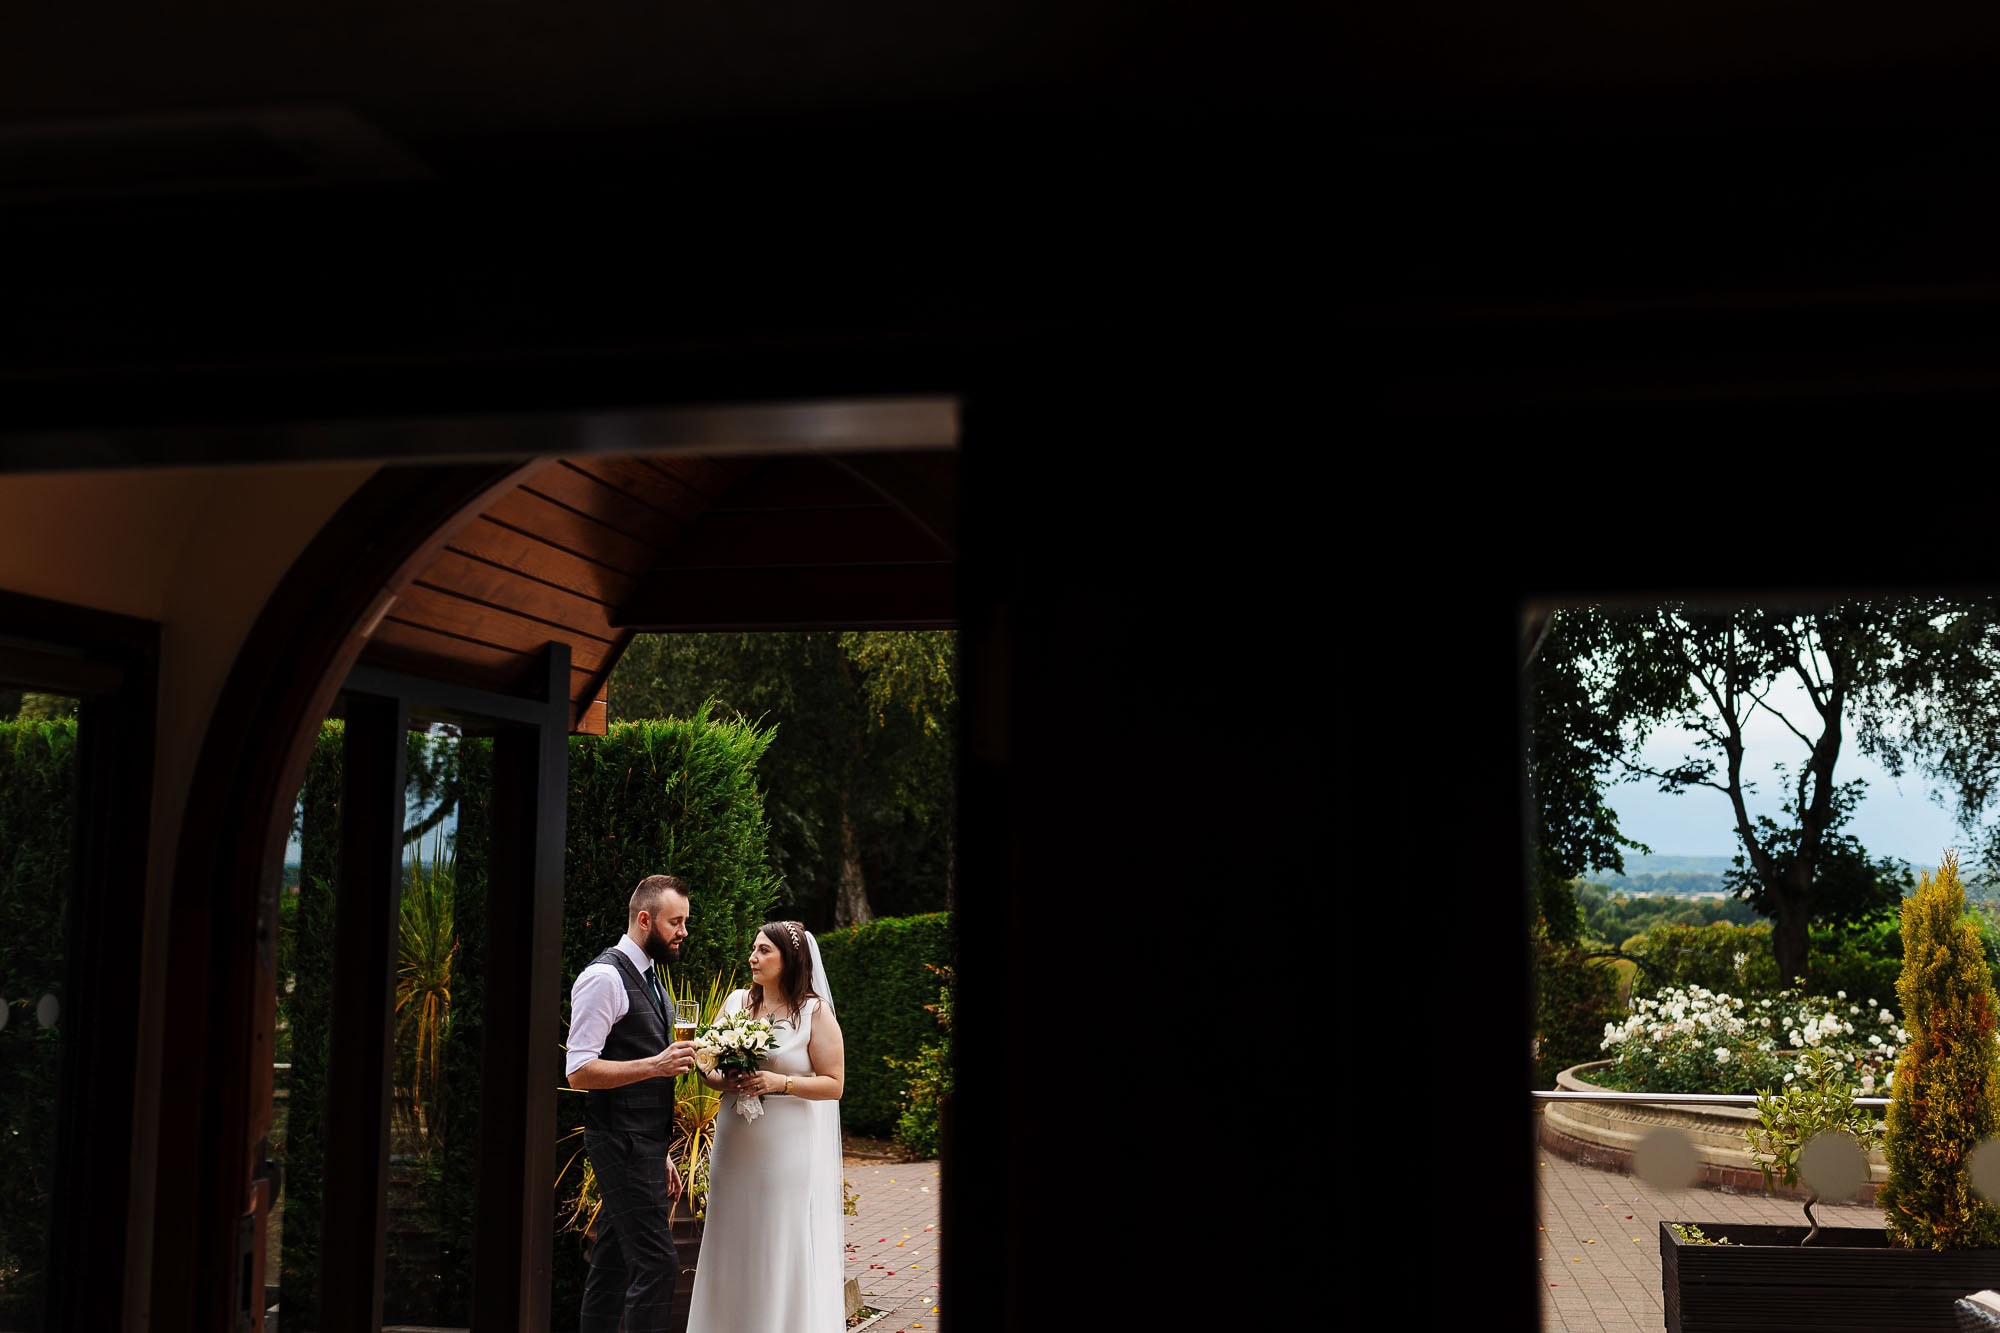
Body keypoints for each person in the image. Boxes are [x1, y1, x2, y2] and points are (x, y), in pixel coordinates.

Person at [686, 919, 847, 1333]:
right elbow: (708, 1067)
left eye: (763, 951)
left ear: (788, 959)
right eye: (754, 949)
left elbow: (834, 1084)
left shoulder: (814, 1012)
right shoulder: (738, 1003)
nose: (753, 958)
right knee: (729, 1237)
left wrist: (782, 1082)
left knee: (776, 1240)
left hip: (785, 1146)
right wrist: (724, 1078)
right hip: (734, 1141)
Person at [565, 873, 700, 1333]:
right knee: (658, 1265)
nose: (683, 931)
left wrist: (662, 1152)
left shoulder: (651, 978)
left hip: (643, 1146)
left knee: (614, 1263)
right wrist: (657, 1065)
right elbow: (579, 1070)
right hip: (618, 1142)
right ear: (645, 920)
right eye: (675, 922)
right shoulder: (603, 978)